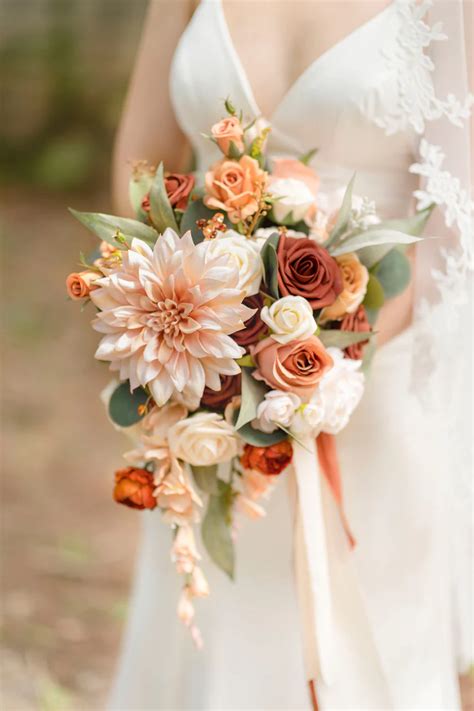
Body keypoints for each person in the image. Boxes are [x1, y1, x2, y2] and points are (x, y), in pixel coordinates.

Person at [108, 1, 473, 708]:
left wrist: (319, 352)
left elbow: (458, 214)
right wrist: (166, 312)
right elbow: (141, 158)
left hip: (373, 391)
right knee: (208, 641)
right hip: (200, 391)